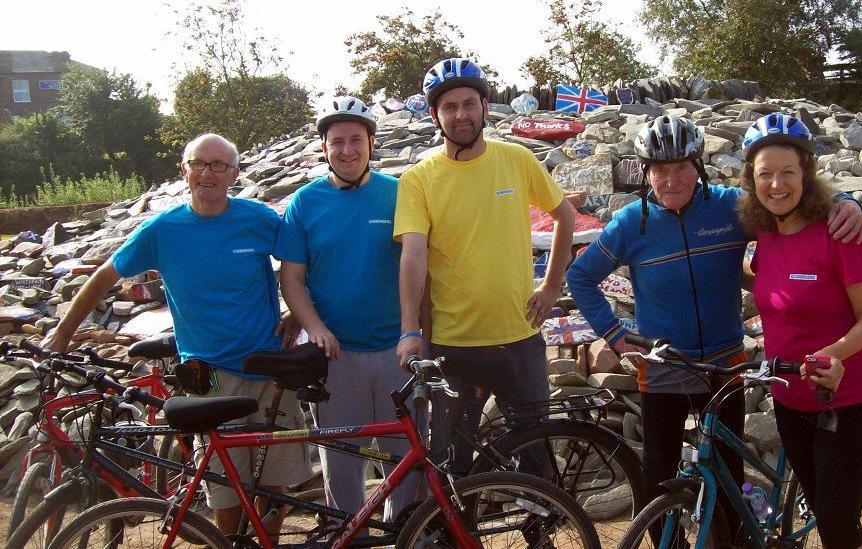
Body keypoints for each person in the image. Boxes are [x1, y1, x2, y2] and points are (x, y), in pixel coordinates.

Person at [565, 115, 862, 536]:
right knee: (657, 486)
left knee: (728, 479)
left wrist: (849, 200)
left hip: (726, 367)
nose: (671, 181)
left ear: (698, 166)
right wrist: (614, 335)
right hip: (664, 368)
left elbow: (790, 199)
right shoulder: (631, 223)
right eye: (659, 171)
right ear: (645, 173)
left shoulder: (729, 207)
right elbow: (579, 276)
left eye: (681, 168)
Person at [41, 133, 309, 536]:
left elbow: (303, 261)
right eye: (199, 163)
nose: (208, 172)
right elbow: (105, 276)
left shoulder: (259, 219)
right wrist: (62, 332)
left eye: (219, 165)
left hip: (270, 369)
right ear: (183, 170)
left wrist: (298, 316)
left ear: (234, 174)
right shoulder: (162, 230)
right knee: (223, 489)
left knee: (275, 485)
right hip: (210, 374)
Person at [394, 57, 576, 473]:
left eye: (469, 104)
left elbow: (564, 216)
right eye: (450, 107)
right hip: (452, 346)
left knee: (536, 457)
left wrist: (551, 287)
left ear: (485, 106)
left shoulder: (517, 159)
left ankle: (541, 533)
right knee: (450, 463)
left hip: (519, 339)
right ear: (435, 115)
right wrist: (409, 330)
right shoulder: (418, 179)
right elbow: (413, 256)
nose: (461, 114)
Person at [738, 113, 862, 549]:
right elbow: (771, 285)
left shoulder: (841, 233)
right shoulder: (768, 232)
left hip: (852, 403)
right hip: (789, 399)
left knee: (839, 529)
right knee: (822, 510)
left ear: (807, 173)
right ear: (752, 179)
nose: (777, 184)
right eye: (765, 174)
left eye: (789, 172)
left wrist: (836, 353)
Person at [274, 96, 422, 523]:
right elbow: (292, 278)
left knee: (403, 459)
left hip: (398, 350)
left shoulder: (399, 194)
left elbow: (423, 265)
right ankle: (349, 535)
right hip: (336, 356)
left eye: (356, 139)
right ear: (324, 147)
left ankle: (403, 534)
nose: (347, 150)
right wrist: (314, 327)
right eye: (336, 141)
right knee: (341, 465)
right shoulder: (305, 202)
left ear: (372, 143)